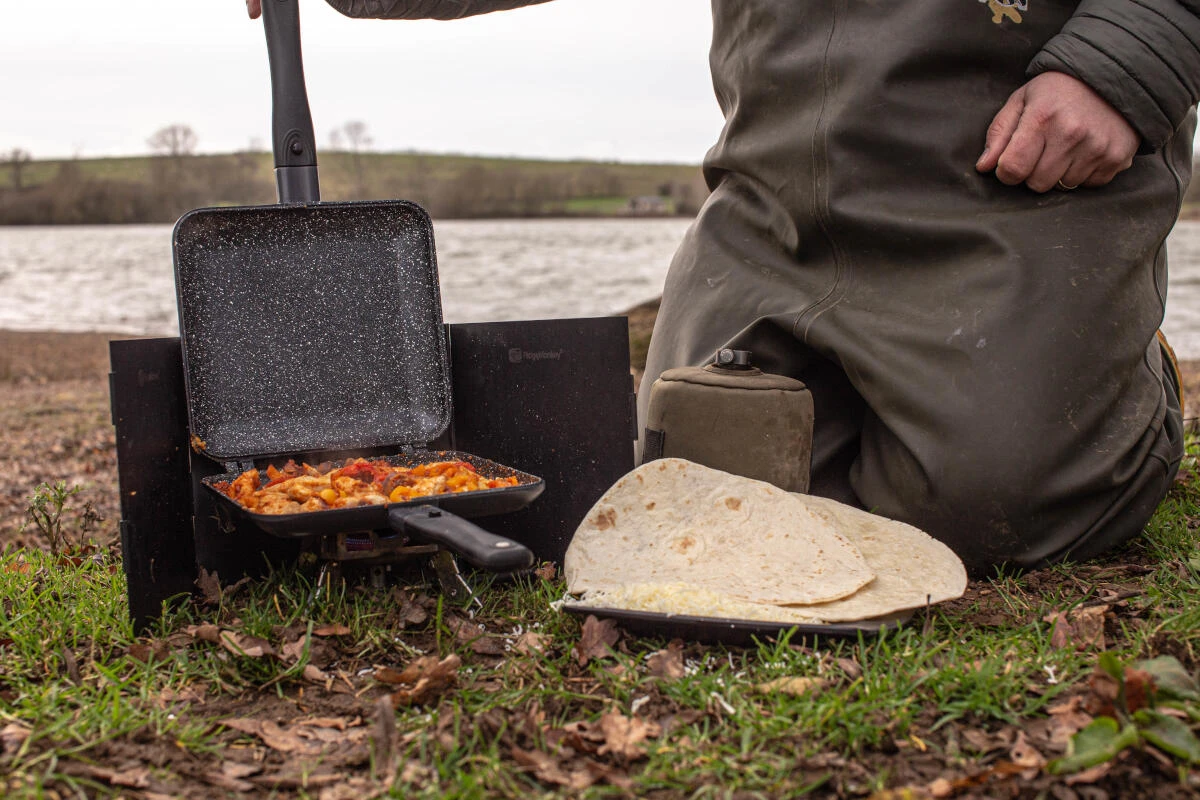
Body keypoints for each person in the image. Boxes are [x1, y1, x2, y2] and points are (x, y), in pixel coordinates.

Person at [250, 0, 1200, 575]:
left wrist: (1127, 59)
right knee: (691, 493)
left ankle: (1121, 382)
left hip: (1007, 184)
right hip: (773, 206)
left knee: (984, 507)